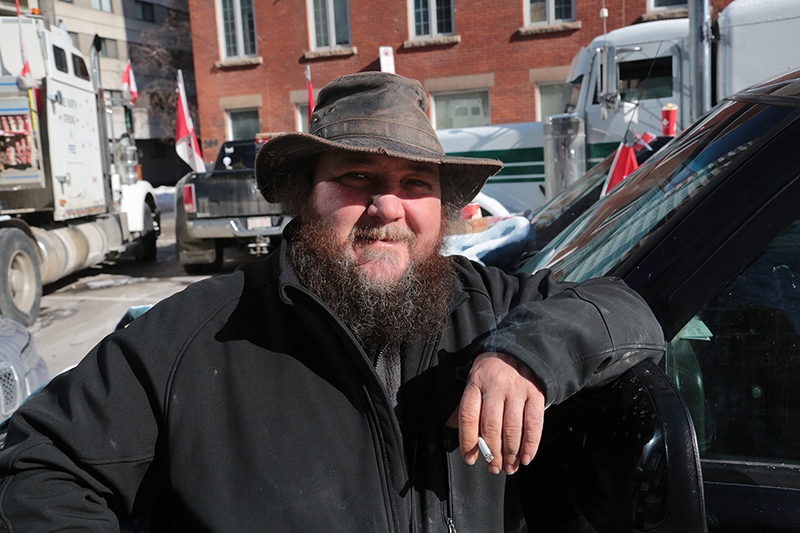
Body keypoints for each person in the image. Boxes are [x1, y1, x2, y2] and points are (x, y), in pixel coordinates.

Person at [0, 72, 665, 532]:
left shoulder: (490, 307)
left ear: (444, 208)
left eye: (414, 182)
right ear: (304, 196)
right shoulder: (200, 335)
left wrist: (528, 355)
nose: (387, 207)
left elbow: (630, 315)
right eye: (356, 177)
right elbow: (41, 460)